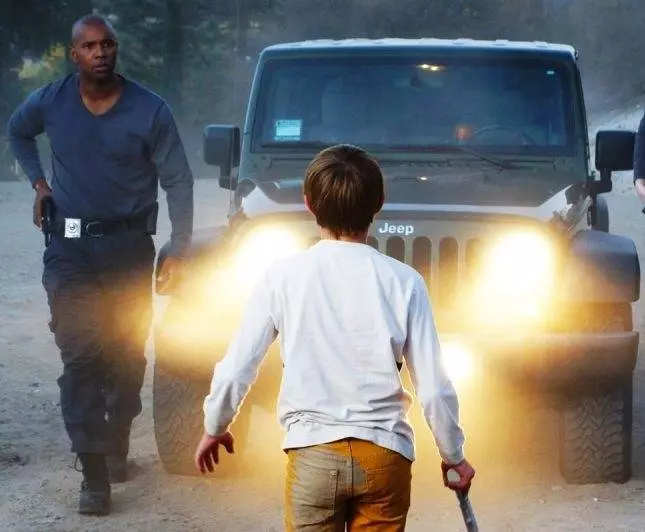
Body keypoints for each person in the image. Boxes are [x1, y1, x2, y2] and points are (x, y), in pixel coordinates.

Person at [195, 144, 474, 531]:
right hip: (385, 458)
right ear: (379, 203)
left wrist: (215, 426)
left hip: (313, 455)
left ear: (309, 204)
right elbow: (434, 388)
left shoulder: (281, 278)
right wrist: (453, 455)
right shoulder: (405, 282)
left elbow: (237, 369)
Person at [6, 14, 194, 516]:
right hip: (69, 250)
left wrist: (179, 247)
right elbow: (18, 131)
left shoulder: (149, 109)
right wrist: (39, 183)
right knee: (83, 358)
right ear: (75, 55)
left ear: (116, 49)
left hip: (129, 250)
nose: (100, 53)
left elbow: (178, 180)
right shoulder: (51, 101)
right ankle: (93, 473)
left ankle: (117, 439)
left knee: (126, 357)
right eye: (89, 46)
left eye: (107, 44)